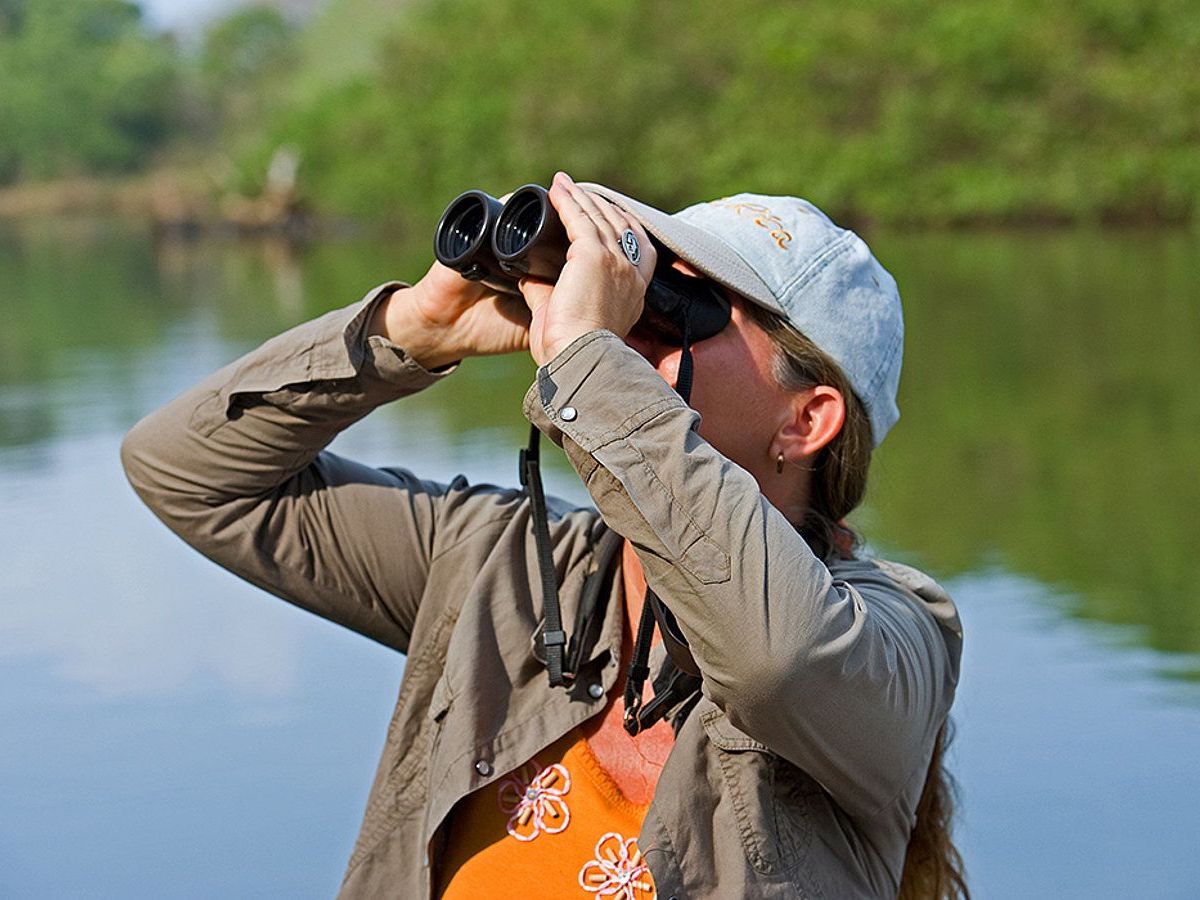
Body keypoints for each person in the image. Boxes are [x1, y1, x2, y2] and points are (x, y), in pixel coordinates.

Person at [122, 172, 967, 899]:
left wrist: (593, 360)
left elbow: (771, 656)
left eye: (681, 312)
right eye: (640, 288)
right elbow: (186, 473)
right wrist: (408, 333)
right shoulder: (505, 565)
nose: (630, 328)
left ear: (807, 420)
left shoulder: (894, 638)